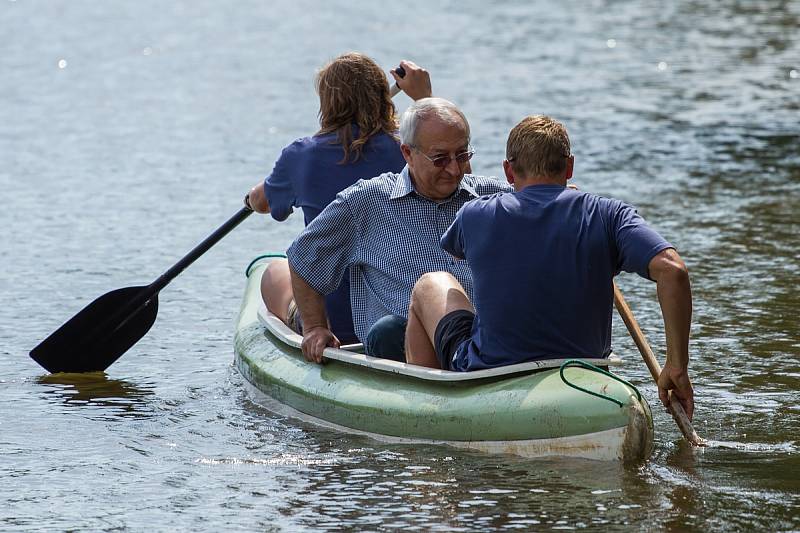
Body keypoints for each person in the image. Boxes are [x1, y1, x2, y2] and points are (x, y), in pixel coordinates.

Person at [404, 115, 695, 419]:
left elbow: (456, 252)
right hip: (584, 366)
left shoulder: (475, 214)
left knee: (431, 282)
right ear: (569, 167)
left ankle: (427, 410)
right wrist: (676, 365)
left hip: (491, 371)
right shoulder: (608, 214)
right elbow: (673, 271)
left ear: (508, 171)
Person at [286, 97, 514, 363]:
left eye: (462, 155)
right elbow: (304, 258)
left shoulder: (494, 196)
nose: (454, 169)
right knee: (388, 329)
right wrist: (315, 328)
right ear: (407, 153)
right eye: (440, 159)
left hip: (481, 343)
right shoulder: (366, 200)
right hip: (399, 350)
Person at [244, 52, 432, 345]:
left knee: (274, 271)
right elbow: (453, 171)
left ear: (326, 104)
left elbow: (262, 202)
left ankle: (307, 327)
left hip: (333, 325)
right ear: (384, 99)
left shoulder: (300, 155)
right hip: (403, 314)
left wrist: (255, 195)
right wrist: (424, 100)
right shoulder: (411, 152)